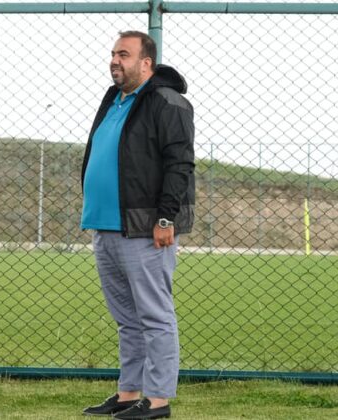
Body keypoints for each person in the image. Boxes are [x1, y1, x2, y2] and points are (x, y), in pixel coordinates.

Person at [80, 31, 195, 420]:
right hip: (106, 226)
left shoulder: (167, 101)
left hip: (145, 229)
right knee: (127, 321)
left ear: (146, 63)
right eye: (113, 53)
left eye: (124, 54)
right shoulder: (113, 98)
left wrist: (165, 218)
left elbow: (180, 163)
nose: (115, 60)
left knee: (154, 317)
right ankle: (129, 393)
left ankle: (158, 400)